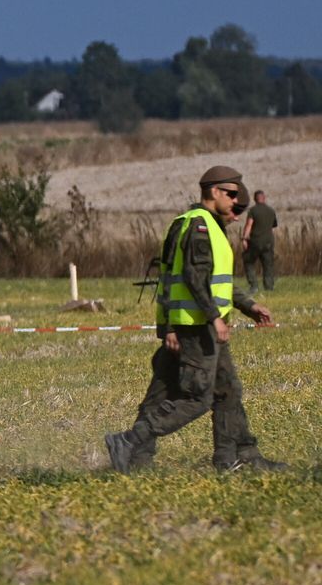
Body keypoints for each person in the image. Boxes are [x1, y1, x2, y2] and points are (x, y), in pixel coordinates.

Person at [105, 166, 284, 473]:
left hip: (198, 326)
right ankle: (130, 442)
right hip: (197, 327)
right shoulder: (199, 227)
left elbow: (216, 282)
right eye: (232, 195)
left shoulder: (204, 226)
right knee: (198, 397)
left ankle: (237, 457)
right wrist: (210, 319)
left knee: (224, 390)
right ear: (214, 191)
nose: (235, 204)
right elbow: (192, 277)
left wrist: (249, 306)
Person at [242, 189, 277, 292]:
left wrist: (244, 238)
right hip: (269, 242)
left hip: (255, 242)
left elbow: (249, 225)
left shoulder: (253, 211)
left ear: (254, 199)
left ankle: (254, 286)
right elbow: (272, 227)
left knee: (248, 261)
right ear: (264, 198)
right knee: (268, 265)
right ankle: (269, 288)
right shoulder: (271, 211)